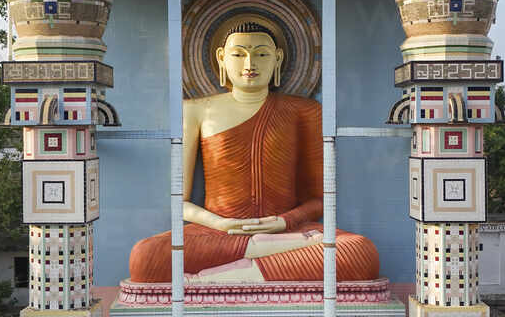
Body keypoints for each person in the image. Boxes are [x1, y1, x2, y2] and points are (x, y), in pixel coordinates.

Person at [128, 23, 380, 283]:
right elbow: (178, 202)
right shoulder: (195, 110)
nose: (250, 63)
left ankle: (211, 279)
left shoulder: (304, 111)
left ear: (278, 58)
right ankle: (264, 257)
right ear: (221, 58)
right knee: (145, 256)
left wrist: (284, 222)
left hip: (286, 230)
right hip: (217, 233)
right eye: (238, 54)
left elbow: (319, 198)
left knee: (360, 251)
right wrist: (221, 225)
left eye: (261, 54)